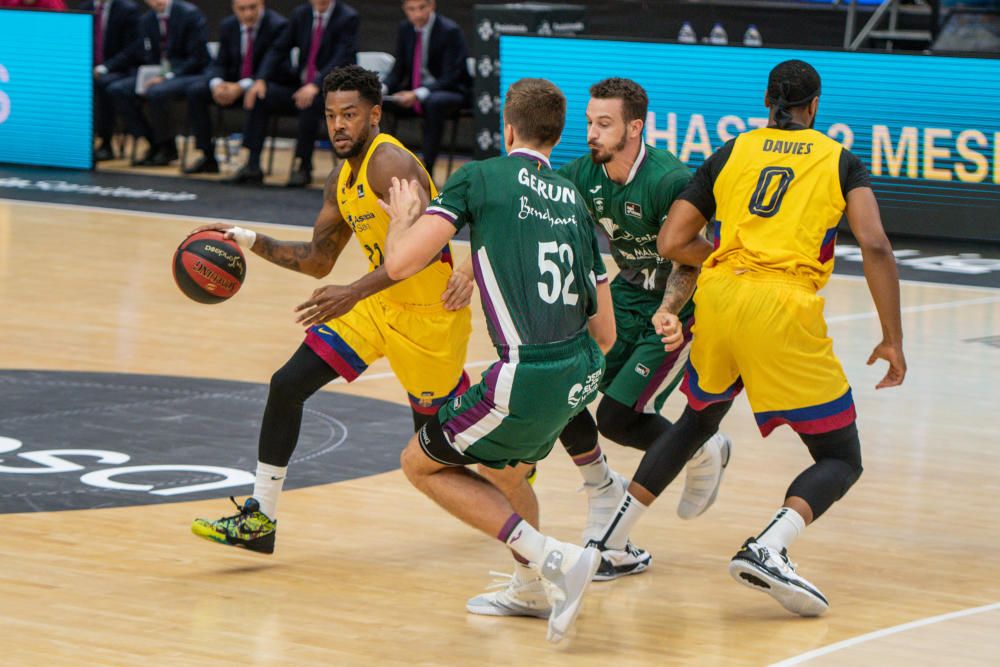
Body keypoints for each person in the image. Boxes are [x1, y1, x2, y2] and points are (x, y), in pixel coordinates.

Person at [593, 59, 906, 616]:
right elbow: (876, 245)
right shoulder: (840, 161)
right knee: (840, 455)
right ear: (814, 107)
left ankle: (608, 542)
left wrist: (730, 264)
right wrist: (892, 338)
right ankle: (770, 546)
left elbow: (671, 240)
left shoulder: (732, 151)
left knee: (697, 420)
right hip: (781, 304)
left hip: (718, 297)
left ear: (767, 103)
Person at [190, 65, 473, 556]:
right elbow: (319, 261)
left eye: (350, 115)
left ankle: (514, 459)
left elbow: (423, 250)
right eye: (330, 115)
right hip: (375, 303)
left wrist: (355, 292)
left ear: (375, 115)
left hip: (429, 315)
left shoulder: (391, 166)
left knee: (436, 456)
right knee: (287, 384)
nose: (338, 125)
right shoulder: (341, 180)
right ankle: (261, 520)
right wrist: (247, 239)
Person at [379, 77, 616, 643]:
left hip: (525, 370)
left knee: (419, 463)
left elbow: (399, 265)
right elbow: (605, 331)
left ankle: (552, 558)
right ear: (557, 137)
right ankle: (530, 588)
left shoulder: (479, 177)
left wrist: (403, 216)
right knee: (505, 470)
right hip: (584, 370)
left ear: (507, 128)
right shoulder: (576, 201)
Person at [544, 78, 730, 584]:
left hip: (675, 303)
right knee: (562, 388)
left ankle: (696, 444)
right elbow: (534, 206)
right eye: (588, 122)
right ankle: (679, 455)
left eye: (603, 124)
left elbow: (695, 256)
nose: (592, 133)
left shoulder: (670, 178)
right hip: (624, 295)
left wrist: (671, 310)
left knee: (619, 417)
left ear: (634, 127)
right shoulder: (585, 173)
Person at [233, 0, 359, 187]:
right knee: (260, 96)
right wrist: (260, 80)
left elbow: (342, 57)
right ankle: (252, 164)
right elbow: (279, 48)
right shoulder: (301, 14)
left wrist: (316, 85)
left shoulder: (347, 17)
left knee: (309, 102)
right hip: (299, 86)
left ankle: (303, 166)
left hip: (330, 90)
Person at [182, 0, 287, 175]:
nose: (248, 14)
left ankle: (252, 164)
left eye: (252, 7)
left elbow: (274, 66)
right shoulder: (228, 25)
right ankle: (207, 156)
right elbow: (219, 63)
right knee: (196, 91)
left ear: (262, 4)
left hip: (264, 83)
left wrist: (242, 86)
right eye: (242, 9)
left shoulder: (278, 25)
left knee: (259, 95)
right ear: (234, 8)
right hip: (232, 85)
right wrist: (217, 84)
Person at [103, 0, 210, 167]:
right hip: (158, 73)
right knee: (118, 89)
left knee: (157, 91)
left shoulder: (189, 14)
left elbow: (198, 58)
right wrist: (149, 75)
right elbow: (148, 55)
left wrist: (167, 75)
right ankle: (152, 141)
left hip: (188, 73)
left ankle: (167, 147)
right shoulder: (147, 20)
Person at [382, 0, 472, 179]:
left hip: (452, 91)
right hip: (415, 90)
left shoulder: (449, 31)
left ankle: (427, 169)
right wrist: (382, 89)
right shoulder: (405, 29)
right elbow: (398, 70)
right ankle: (386, 162)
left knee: (433, 102)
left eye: (422, 8)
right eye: (411, 9)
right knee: (382, 101)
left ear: (432, 6)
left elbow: (451, 76)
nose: (417, 14)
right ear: (405, 10)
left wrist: (417, 94)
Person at [84, 0, 142, 162]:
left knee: (103, 84)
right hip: (89, 67)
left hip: (120, 69)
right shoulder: (86, 8)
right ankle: (75, 140)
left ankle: (106, 143)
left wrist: (105, 67)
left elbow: (133, 49)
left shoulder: (127, 9)